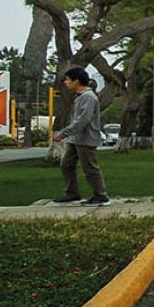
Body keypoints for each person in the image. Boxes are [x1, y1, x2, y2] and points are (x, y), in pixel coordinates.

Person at [54, 67, 109, 206]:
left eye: (68, 79)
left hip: (86, 138)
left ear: (76, 81)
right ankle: (72, 193)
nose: (66, 82)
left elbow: (83, 120)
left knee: (90, 168)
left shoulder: (88, 97)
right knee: (66, 164)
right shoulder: (79, 97)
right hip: (75, 138)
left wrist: (64, 133)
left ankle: (100, 195)